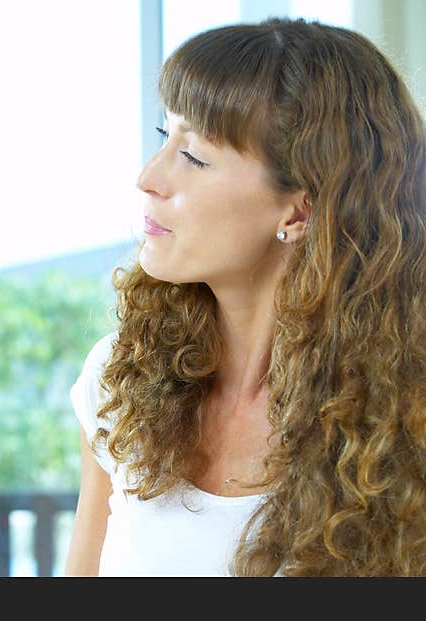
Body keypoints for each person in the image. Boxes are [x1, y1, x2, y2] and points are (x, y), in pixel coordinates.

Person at [66, 18, 426, 576]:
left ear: (298, 211)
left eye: (195, 157)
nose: (149, 177)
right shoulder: (117, 379)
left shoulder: (407, 425)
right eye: (167, 138)